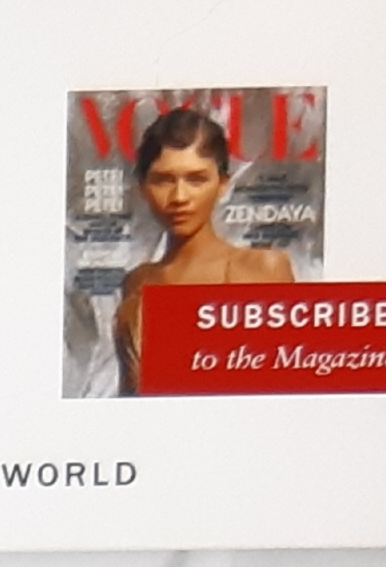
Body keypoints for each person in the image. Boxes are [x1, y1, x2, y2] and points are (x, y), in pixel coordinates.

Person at [113, 106, 294, 394]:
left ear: (222, 184)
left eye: (196, 179)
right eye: (163, 180)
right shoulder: (138, 282)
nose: (179, 197)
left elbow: (283, 387)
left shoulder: (259, 268)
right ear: (143, 187)